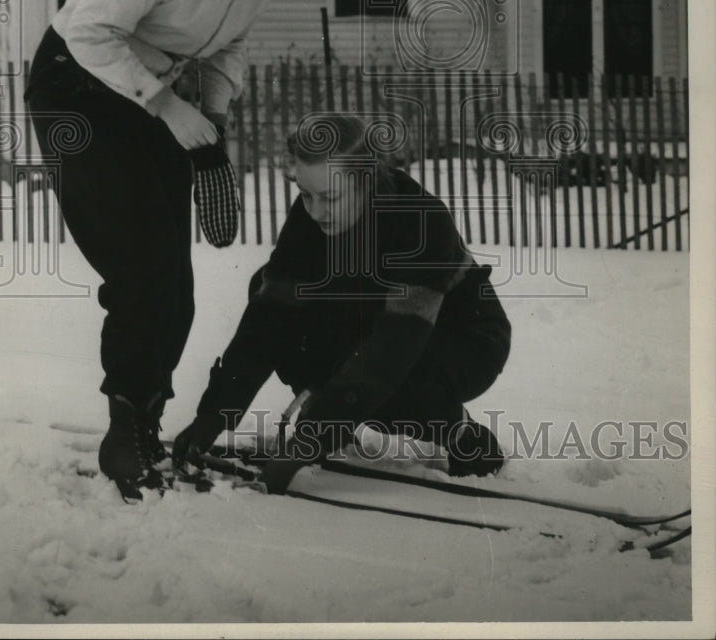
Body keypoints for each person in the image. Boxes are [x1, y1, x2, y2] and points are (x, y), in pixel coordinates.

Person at [25, 0, 348, 496]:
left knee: (175, 277)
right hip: (79, 90)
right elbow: (90, 30)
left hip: (156, 94)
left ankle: (144, 416)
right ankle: (124, 431)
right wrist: (168, 107)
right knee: (140, 267)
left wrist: (214, 118)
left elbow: (229, 45)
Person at [173, 113, 512, 494]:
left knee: (391, 391)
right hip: (373, 322)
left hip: (460, 334)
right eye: (305, 194)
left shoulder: (419, 221)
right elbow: (267, 320)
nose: (315, 211)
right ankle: (332, 410)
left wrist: (307, 443)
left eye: (330, 197)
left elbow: (393, 348)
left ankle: (462, 435)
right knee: (268, 289)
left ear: (365, 181)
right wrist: (214, 415)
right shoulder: (309, 218)